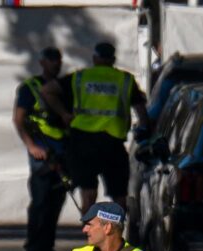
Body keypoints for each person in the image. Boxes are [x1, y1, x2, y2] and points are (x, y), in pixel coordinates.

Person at [41, 42, 150, 215]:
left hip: (83, 142)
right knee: (119, 195)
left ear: (95, 58)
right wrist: (145, 130)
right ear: (113, 59)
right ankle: (115, 235)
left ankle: (90, 235)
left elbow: (47, 91)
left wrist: (63, 114)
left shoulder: (80, 77)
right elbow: (141, 112)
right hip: (113, 143)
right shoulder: (125, 80)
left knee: (88, 193)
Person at [12, 46, 70, 251]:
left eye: (58, 60)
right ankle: (34, 247)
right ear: (42, 62)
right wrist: (31, 146)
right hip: (41, 151)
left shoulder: (63, 87)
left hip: (62, 151)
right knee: (41, 201)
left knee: (56, 201)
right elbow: (18, 119)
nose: (56, 64)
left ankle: (46, 247)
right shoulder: (30, 88)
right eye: (51, 60)